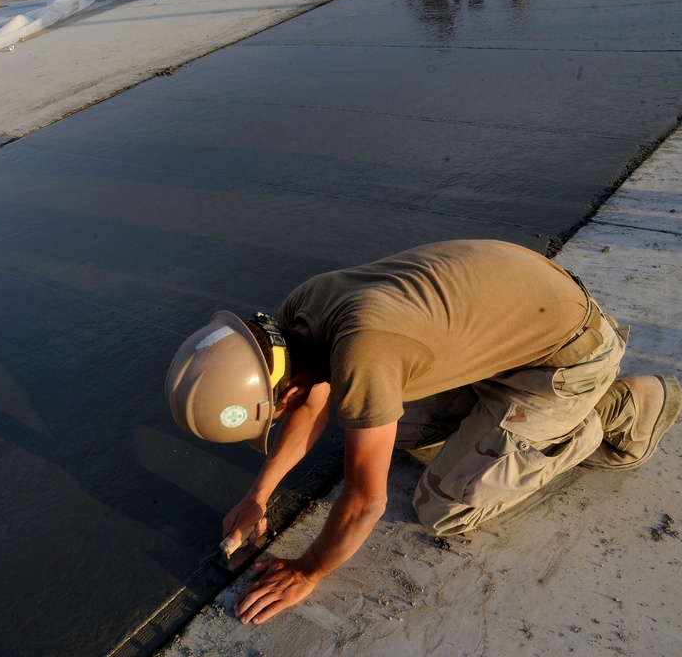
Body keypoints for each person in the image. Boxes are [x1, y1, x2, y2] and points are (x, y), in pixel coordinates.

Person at [165, 239, 682, 625]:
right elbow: (315, 398)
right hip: (521, 318)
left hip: (567, 355)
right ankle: (491, 427)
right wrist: (260, 493)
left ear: (285, 382)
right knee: (371, 422)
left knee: (443, 507)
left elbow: (364, 501)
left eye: (273, 413)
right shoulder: (299, 314)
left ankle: (617, 408)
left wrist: (307, 571)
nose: (280, 419)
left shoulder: (363, 347)